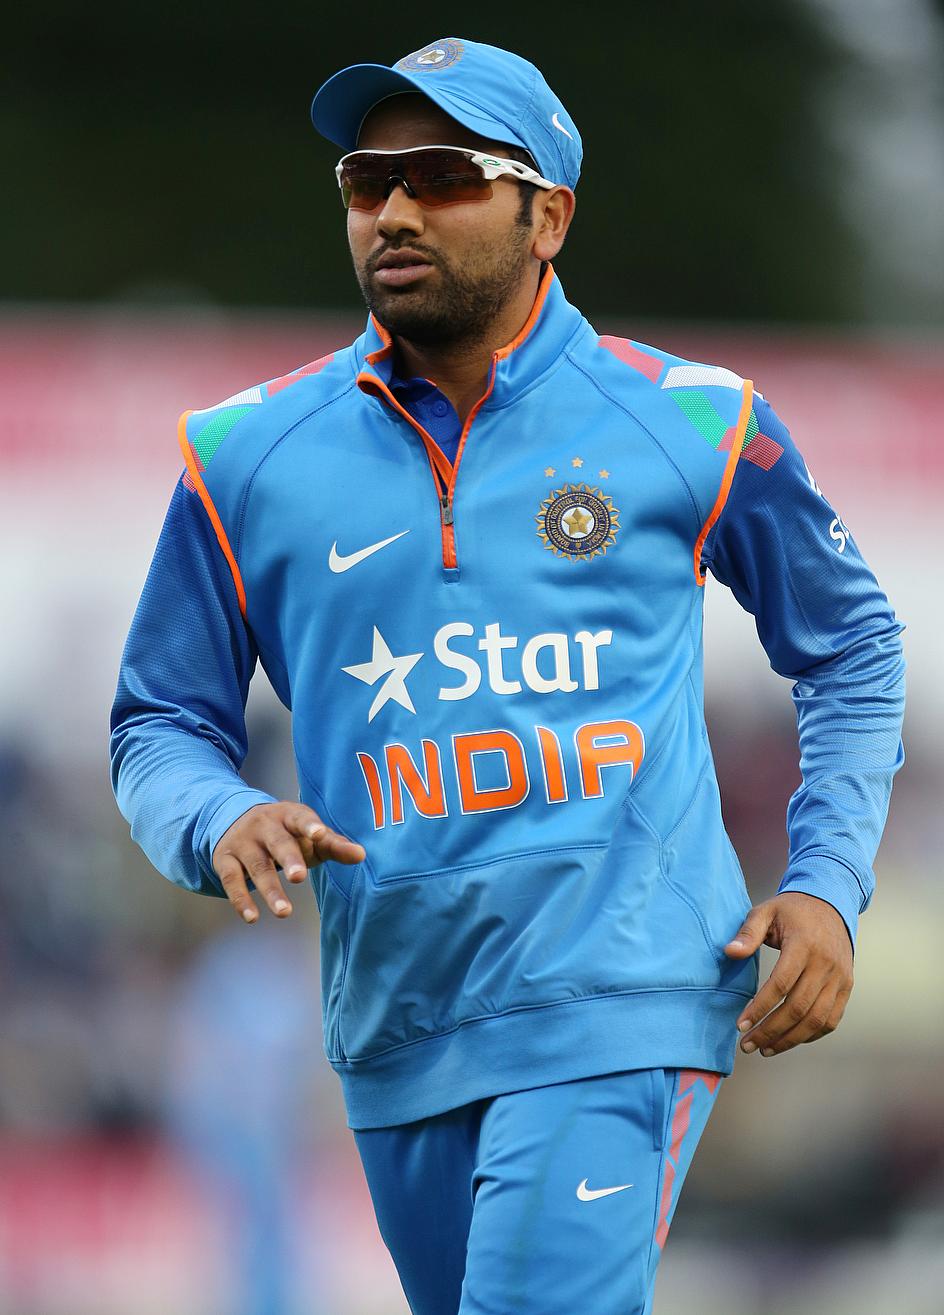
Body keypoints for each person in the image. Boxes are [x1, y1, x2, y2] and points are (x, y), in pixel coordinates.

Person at [110, 36, 906, 1315]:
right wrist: (217, 815)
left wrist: (825, 879)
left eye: (442, 175)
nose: (394, 210)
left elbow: (851, 645)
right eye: (366, 181)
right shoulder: (245, 453)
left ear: (548, 216)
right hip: (397, 1024)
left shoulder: (694, 420)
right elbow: (159, 718)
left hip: (622, 997)